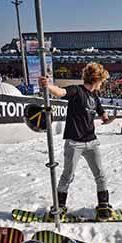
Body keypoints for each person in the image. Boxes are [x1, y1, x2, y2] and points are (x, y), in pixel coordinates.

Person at [39, 62, 114, 219]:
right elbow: (60, 92)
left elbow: (102, 114)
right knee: (68, 176)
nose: (102, 83)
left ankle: (103, 205)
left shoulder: (95, 97)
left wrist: (106, 119)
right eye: (102, 80)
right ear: (96, 79)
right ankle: (59, 206)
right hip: (74, 143)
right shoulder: (76, 90)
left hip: (92, 142)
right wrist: (48, 86)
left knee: (100, 175)